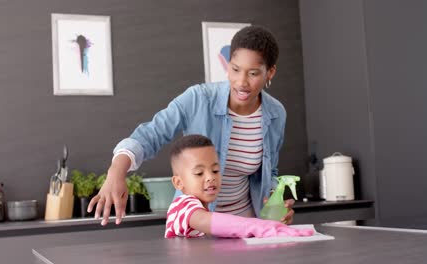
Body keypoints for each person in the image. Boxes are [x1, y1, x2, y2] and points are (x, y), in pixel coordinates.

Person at [88, 25, 295, 226]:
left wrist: (274, 201)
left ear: (270, 72)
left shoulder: (275, 114)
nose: (241, 82)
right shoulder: (198, 99)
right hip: (198, 224)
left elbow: (270, 171)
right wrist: (116, 172)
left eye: (253, 73)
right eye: (235, 69)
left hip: (247, 225)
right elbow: (150, 135)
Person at [164, 134, 313, 238]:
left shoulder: (202, 206)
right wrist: (260, 227)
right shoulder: (182, 206)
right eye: (199, 173)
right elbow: (207, 221)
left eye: (215, 170)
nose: (210, 177)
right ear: (178, 183)